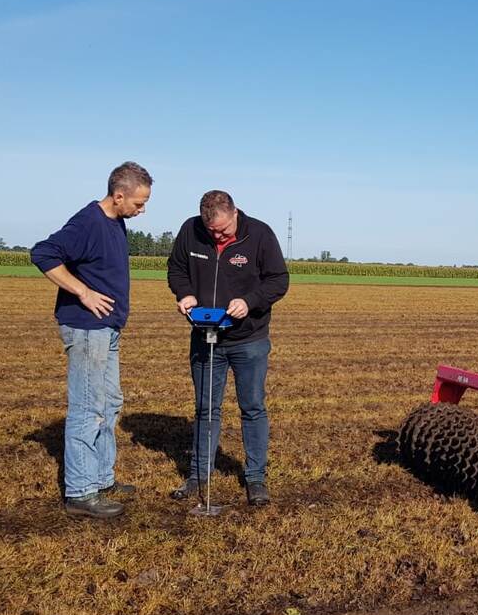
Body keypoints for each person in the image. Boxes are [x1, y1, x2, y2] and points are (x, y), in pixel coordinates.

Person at [31, 161, 153, 519]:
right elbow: (42, 254)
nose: (142, 210)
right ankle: (81, 492)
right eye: (139, 203)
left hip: (107, 329)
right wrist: (83, 292)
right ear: (118, 196)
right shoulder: (88, 222)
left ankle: (101, 478)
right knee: (88, 407)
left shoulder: (116, 222)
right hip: (86, 329)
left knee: (110, 402)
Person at [166, 190, 289, 506]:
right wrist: (185, 294)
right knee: (206, 409)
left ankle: (256, 478)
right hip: (206, 338)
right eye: (212, 232)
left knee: (253, 407)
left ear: (234, 213)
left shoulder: (259, 234)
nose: (217, 235)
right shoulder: (190, 230)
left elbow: (278, 281)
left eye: (222, 230)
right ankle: (198, 475)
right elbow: (176, 269)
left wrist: (249, 302)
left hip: (249, 340)